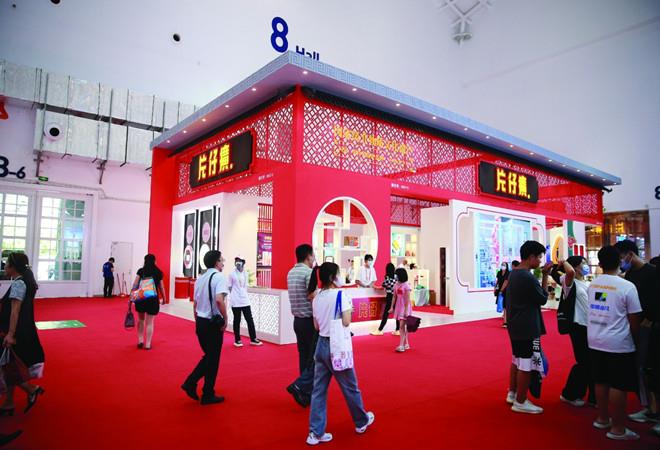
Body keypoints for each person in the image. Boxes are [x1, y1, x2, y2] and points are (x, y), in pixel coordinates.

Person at [307, 262, 374, 445]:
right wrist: (349, 311)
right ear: (332, 277)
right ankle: (361, 421)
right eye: (337, 273)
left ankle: (315, 432)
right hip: (337, 347)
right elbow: (346, 321)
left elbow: (316, 326)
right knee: (350, 386)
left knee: (318, 390)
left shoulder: (316, 297)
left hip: (321, 345)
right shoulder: (341, 295)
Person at [588, 245, 642, 440]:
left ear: (600, 263)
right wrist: (636, 339)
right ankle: (618, 428)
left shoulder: (593, 284)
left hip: (595, 340)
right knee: (619, 385)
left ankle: (602, 418)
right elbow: (634, 318)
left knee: (601, 380)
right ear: (619, 261)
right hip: (618, 342)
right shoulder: (626, 286)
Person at [614, 240, 659, 426]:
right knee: (641, 368)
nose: (620, 262)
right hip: (634, 326)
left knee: (651, 369)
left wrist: (651, 320)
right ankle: (649, 408)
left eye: (621, 257)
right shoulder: (630, 274)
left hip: (650, 327)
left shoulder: (653, 272)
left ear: (630, 255)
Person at [505, 241, 553, 414]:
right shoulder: (527, 276)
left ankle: (513, 393)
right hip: (528, 327)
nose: (540, 261)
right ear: (531, 257)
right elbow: (543, 298)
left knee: (517, 359)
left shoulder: (514, 273)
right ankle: (520, 400)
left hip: (516, 325)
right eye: (539, 257)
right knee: (527, 363)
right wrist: (545, 276)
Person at [0, 253, 45, 416]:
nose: (4, 266)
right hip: (18, 331)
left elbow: (15, 311)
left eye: (6, 264)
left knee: (7, 367)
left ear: (13, 267)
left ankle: (31, 389)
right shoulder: (22, 282)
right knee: (9, 365)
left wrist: (10, 334)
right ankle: (9, 402)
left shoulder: (19, 284)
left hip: (13, 332)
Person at [181, 250, 228, 405]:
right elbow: (219, 300)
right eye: (221, 259)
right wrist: (226, 318)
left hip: (201, 322)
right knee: (212, 359)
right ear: (216, 262)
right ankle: (198, 387)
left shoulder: (200, 278)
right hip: (212, 324)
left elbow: (195, 303)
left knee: (209, 357)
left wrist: (197, 320)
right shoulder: (219, 277)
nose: (223, 262)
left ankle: (202, 389)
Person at [553, 256, 596, 407]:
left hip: (591, 325)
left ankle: (593, 397)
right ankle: (569, 394)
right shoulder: (568, 282)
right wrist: (563, 261)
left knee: (592, 362)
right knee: (584, 362)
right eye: (583, 263)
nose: (586, 265)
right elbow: (570, 272)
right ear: (575, 266)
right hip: (578, 326)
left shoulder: (587, 283)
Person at [286, 244, 316, 407]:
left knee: (303, 356)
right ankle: (301, 387)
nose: (314, 258)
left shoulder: (291, 272)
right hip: (309, 320)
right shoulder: (308, 272)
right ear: (308, 256)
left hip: (297, 320)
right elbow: (312, 296)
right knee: (313, 358)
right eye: (313, 255)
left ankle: (304, 393)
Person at [130, 254, 166, 350]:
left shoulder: (141, 271)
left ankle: (140, 340)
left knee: (141, 320)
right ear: (154, 261)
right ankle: (148, 344)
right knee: (150, 322)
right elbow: (161, 287)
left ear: (145, 261)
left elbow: (135, 284)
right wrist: (164, 298)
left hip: (141, 297)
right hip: (153, 299)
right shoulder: (158, 272)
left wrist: (132, 296)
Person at [228, 256, 262, 348]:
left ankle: (253, 338)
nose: (237, 263)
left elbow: (245, 286)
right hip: (235, 300)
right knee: (237, 320)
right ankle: (237, 340)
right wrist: (234, 295)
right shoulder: (231, 274)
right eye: (236, 261)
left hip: (245, 300)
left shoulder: (246, 273)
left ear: (243, 262)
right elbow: (229, 287)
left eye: (239, 261)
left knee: (249, 319)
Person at [370, 263, 399, 336]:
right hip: (397, 297)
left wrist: (375, 287)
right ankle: (398, 330)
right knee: (397, 314)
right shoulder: (396, 277)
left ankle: (379, 330)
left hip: (390, 297)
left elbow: (382, 287)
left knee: (385, 314)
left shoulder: (387, 278)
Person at [391, 267, 412, 352]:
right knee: (402, 326)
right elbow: (394, 296)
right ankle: (406, 344)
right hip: (398, 306)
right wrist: (392, 307)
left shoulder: (406, 285)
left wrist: (406, 311)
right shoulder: (396, 284)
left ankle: (401, 345)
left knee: (401, 326)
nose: (395, 276)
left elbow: (407, 299)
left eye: (396, 274)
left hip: (405, 307)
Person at [495, 262, 510, 327]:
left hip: (506, 290)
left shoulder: (508, 273)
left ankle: (506, 322)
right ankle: (505, 319)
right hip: (500, 290)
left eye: (504, 265)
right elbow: (497, 281)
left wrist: (501, 290)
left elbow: (506, 282)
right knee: (502, 305)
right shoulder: (499, 273)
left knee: (505, 305)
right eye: (502, 265)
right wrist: (495, 288)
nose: (502, 266)